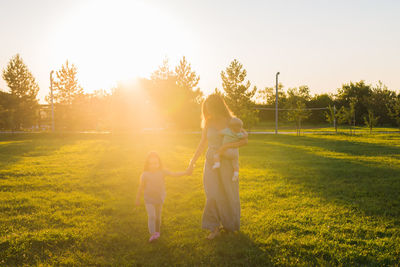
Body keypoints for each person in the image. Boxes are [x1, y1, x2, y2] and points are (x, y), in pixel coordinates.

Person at [188, 94, 248, 239]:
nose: (209, 112)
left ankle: (230, 225)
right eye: (206, 109)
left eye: (211, 108)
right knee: (212, 193)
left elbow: (244, 139)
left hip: (226, 161)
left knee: (229, 193)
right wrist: (192, 161)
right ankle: (213, 227)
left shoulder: (230, 121)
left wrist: (226, 147)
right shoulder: (208, 122)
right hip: (211, 161)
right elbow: (203, 143)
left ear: (218, 106)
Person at [135, 151, 191, 242]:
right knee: (152, 216)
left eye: (155, 163)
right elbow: (140, 187)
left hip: (159, 198)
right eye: (150, 164)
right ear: (147, 164)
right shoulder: (145, 175)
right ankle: (152, 234)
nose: (153, 165)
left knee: (158, 217)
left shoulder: (162, 172)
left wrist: (185, 172)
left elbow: (174, 174)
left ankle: (157, 232)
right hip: (148, 199)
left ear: (159, 163)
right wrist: (137, 199)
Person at [212, 117, 248, 181]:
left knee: (217, 153)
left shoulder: (227, 130)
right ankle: (236, 173)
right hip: (235, 152)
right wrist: (242, 130)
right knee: (235, 163)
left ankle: (217, 163)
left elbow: (219, 133)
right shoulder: (239, 134)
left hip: (226, 150)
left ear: (230, 126)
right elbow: (245, 135)